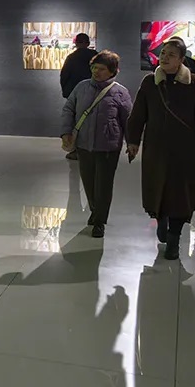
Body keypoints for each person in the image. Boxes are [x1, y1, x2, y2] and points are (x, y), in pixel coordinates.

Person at [126, 39, 195, 260]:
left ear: (181, 60)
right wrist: (133, 141)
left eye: (171, 55)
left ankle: (174, 239)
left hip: (184, 148)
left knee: (180, 192)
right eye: (163, 53)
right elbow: (138, 113)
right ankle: (161, 219)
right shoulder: (150, 82)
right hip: (155, 147)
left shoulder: (192, 82)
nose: (165, 57)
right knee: (157, 186)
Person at [59, 50, 133, 238]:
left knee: (104, 185)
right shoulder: (82, 87)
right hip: (84, 145)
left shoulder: (120, 92)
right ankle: (95, 210)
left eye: (101, 69)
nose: (96, 72)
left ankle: (99, 221)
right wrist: (66, 132)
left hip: (108, 146)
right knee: (89, 183)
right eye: (94, 68)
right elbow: (69, 109)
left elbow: (128, 120)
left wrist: (132, 142)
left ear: (113, 71)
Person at [59, 32, 95, 160]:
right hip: (94, 94)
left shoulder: (71, 57)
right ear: (88, 43)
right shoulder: (96, 56)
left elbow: (64, 76)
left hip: (75, 95)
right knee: (93, 121)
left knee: (76, 123)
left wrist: (66, 93)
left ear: (76, 43)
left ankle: (76, 150)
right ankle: (92, 150)